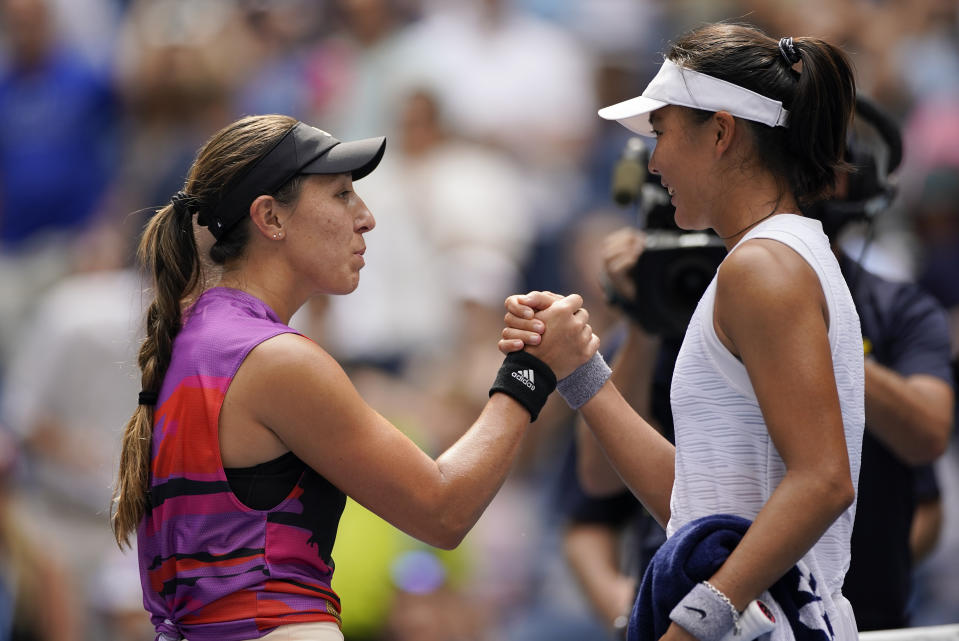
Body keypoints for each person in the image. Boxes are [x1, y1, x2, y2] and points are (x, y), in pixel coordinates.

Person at [110, 114, 599, 641]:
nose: (366, 218)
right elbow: (443, 510)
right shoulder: (275, 358)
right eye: (342, 195)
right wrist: (530, 368)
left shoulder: (195, 340)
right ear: (270, 218)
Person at [502, 22, 864, 641]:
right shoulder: (768, 259)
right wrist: (581, 368)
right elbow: (694, 499)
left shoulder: (763, 266)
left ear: (721, 132)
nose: (654, 160)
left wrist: (700, 620)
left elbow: (824, 479)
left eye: (662, 133)